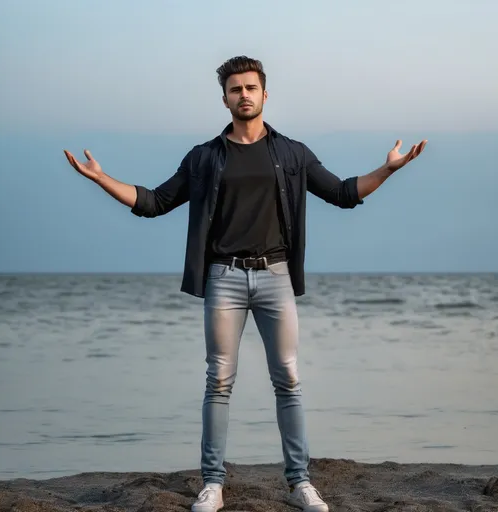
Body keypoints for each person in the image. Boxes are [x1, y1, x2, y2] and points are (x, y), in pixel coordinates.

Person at [64, 56, 427, 512]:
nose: (244, 95)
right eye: (236, 89)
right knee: (219, 380)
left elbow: (342, 193)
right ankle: (212, 484)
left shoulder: (292, 153)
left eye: (251, 88)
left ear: (264, 94)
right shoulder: (204, 158)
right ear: (225, 99)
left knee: (288, 380)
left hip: (275, 276)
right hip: (224, 277)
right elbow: (155, 202)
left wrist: (389, 168)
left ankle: (300, 484)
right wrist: (100, 179)